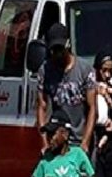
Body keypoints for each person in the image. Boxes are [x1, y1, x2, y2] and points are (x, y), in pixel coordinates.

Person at [36, 23, 97, 151]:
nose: (57, 54)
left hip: (80, 139)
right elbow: (42, 106)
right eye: (54, 50)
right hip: (57, 139)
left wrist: (85, 142)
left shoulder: (85, 70)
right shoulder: (45, 70)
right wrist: (44, 142)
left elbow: (92, 108)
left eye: (60, 49)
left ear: (68, 45)